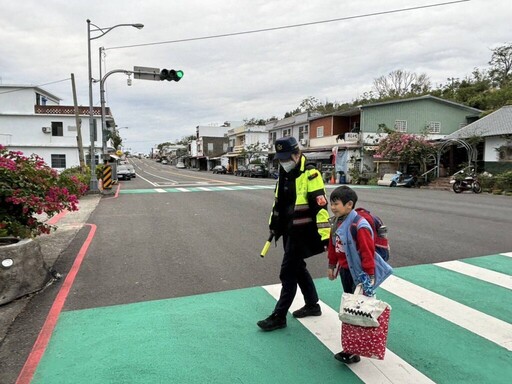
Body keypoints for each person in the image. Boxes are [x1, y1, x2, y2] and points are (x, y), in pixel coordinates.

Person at [257, 136, 330, 331]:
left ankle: (279, 316)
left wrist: (326, 237)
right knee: (298, 268)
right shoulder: (283, 173)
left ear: (297, 154)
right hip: (288, 231)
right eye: (280, 159)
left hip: (303, 233)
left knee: (287, 272)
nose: (283, 162)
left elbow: (320, 208)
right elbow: (278, 202)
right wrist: (274, 224)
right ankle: (312, 305)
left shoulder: (311, 174)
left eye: (286, 157)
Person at [327, 186, 392, 364]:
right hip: (346, 272)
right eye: (331, 203)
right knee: (351, 308)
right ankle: (352, 347)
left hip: (360, 275)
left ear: (349, 205)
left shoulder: (360, 225)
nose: (333, 207)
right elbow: (333, 245)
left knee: (357, 310)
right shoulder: (336, 222)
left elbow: (367, 252)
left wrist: (369, 275)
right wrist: (332, 265)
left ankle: (354, 350)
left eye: (336, 204)